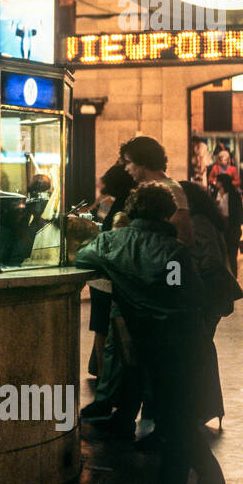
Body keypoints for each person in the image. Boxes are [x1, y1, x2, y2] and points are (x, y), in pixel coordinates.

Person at [75, 182, 224, 484]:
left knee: (175, 418)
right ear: (166, 212)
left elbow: (81, 258)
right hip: (182, 343)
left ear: (132, 209)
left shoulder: (111, 242)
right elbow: (195, 295)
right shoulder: (175, 251)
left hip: (143, 344)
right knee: (177, 416)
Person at [179, 180, 243, 429]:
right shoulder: (200, 221)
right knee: (201, 348)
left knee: (199, 349)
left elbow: (212, 262)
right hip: (208, 296)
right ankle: (205, 408)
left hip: (207, 297)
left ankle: (203, 407)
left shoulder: (199, 224)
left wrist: (190, 283)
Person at [83, 163, 134, 393]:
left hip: (105, 273)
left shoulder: (116, 204)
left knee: (101, 325)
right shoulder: (122, 203)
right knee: (104, 324)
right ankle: (106, 376)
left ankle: (105, 376)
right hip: (109, 273)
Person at [118, 135, 192, 245]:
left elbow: (183, 234)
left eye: (128, 162)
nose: (126, 168)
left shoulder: (171, 188)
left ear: (142, 161)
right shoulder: (153, 187)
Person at [212, 172, 243, 276]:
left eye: (217, 181)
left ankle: (233, 275)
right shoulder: (215, 194)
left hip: (232, 227)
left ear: (222, 183)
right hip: (219, 226)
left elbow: (240, 211)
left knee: (232, 253)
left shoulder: (234, 195)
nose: (215, 183)